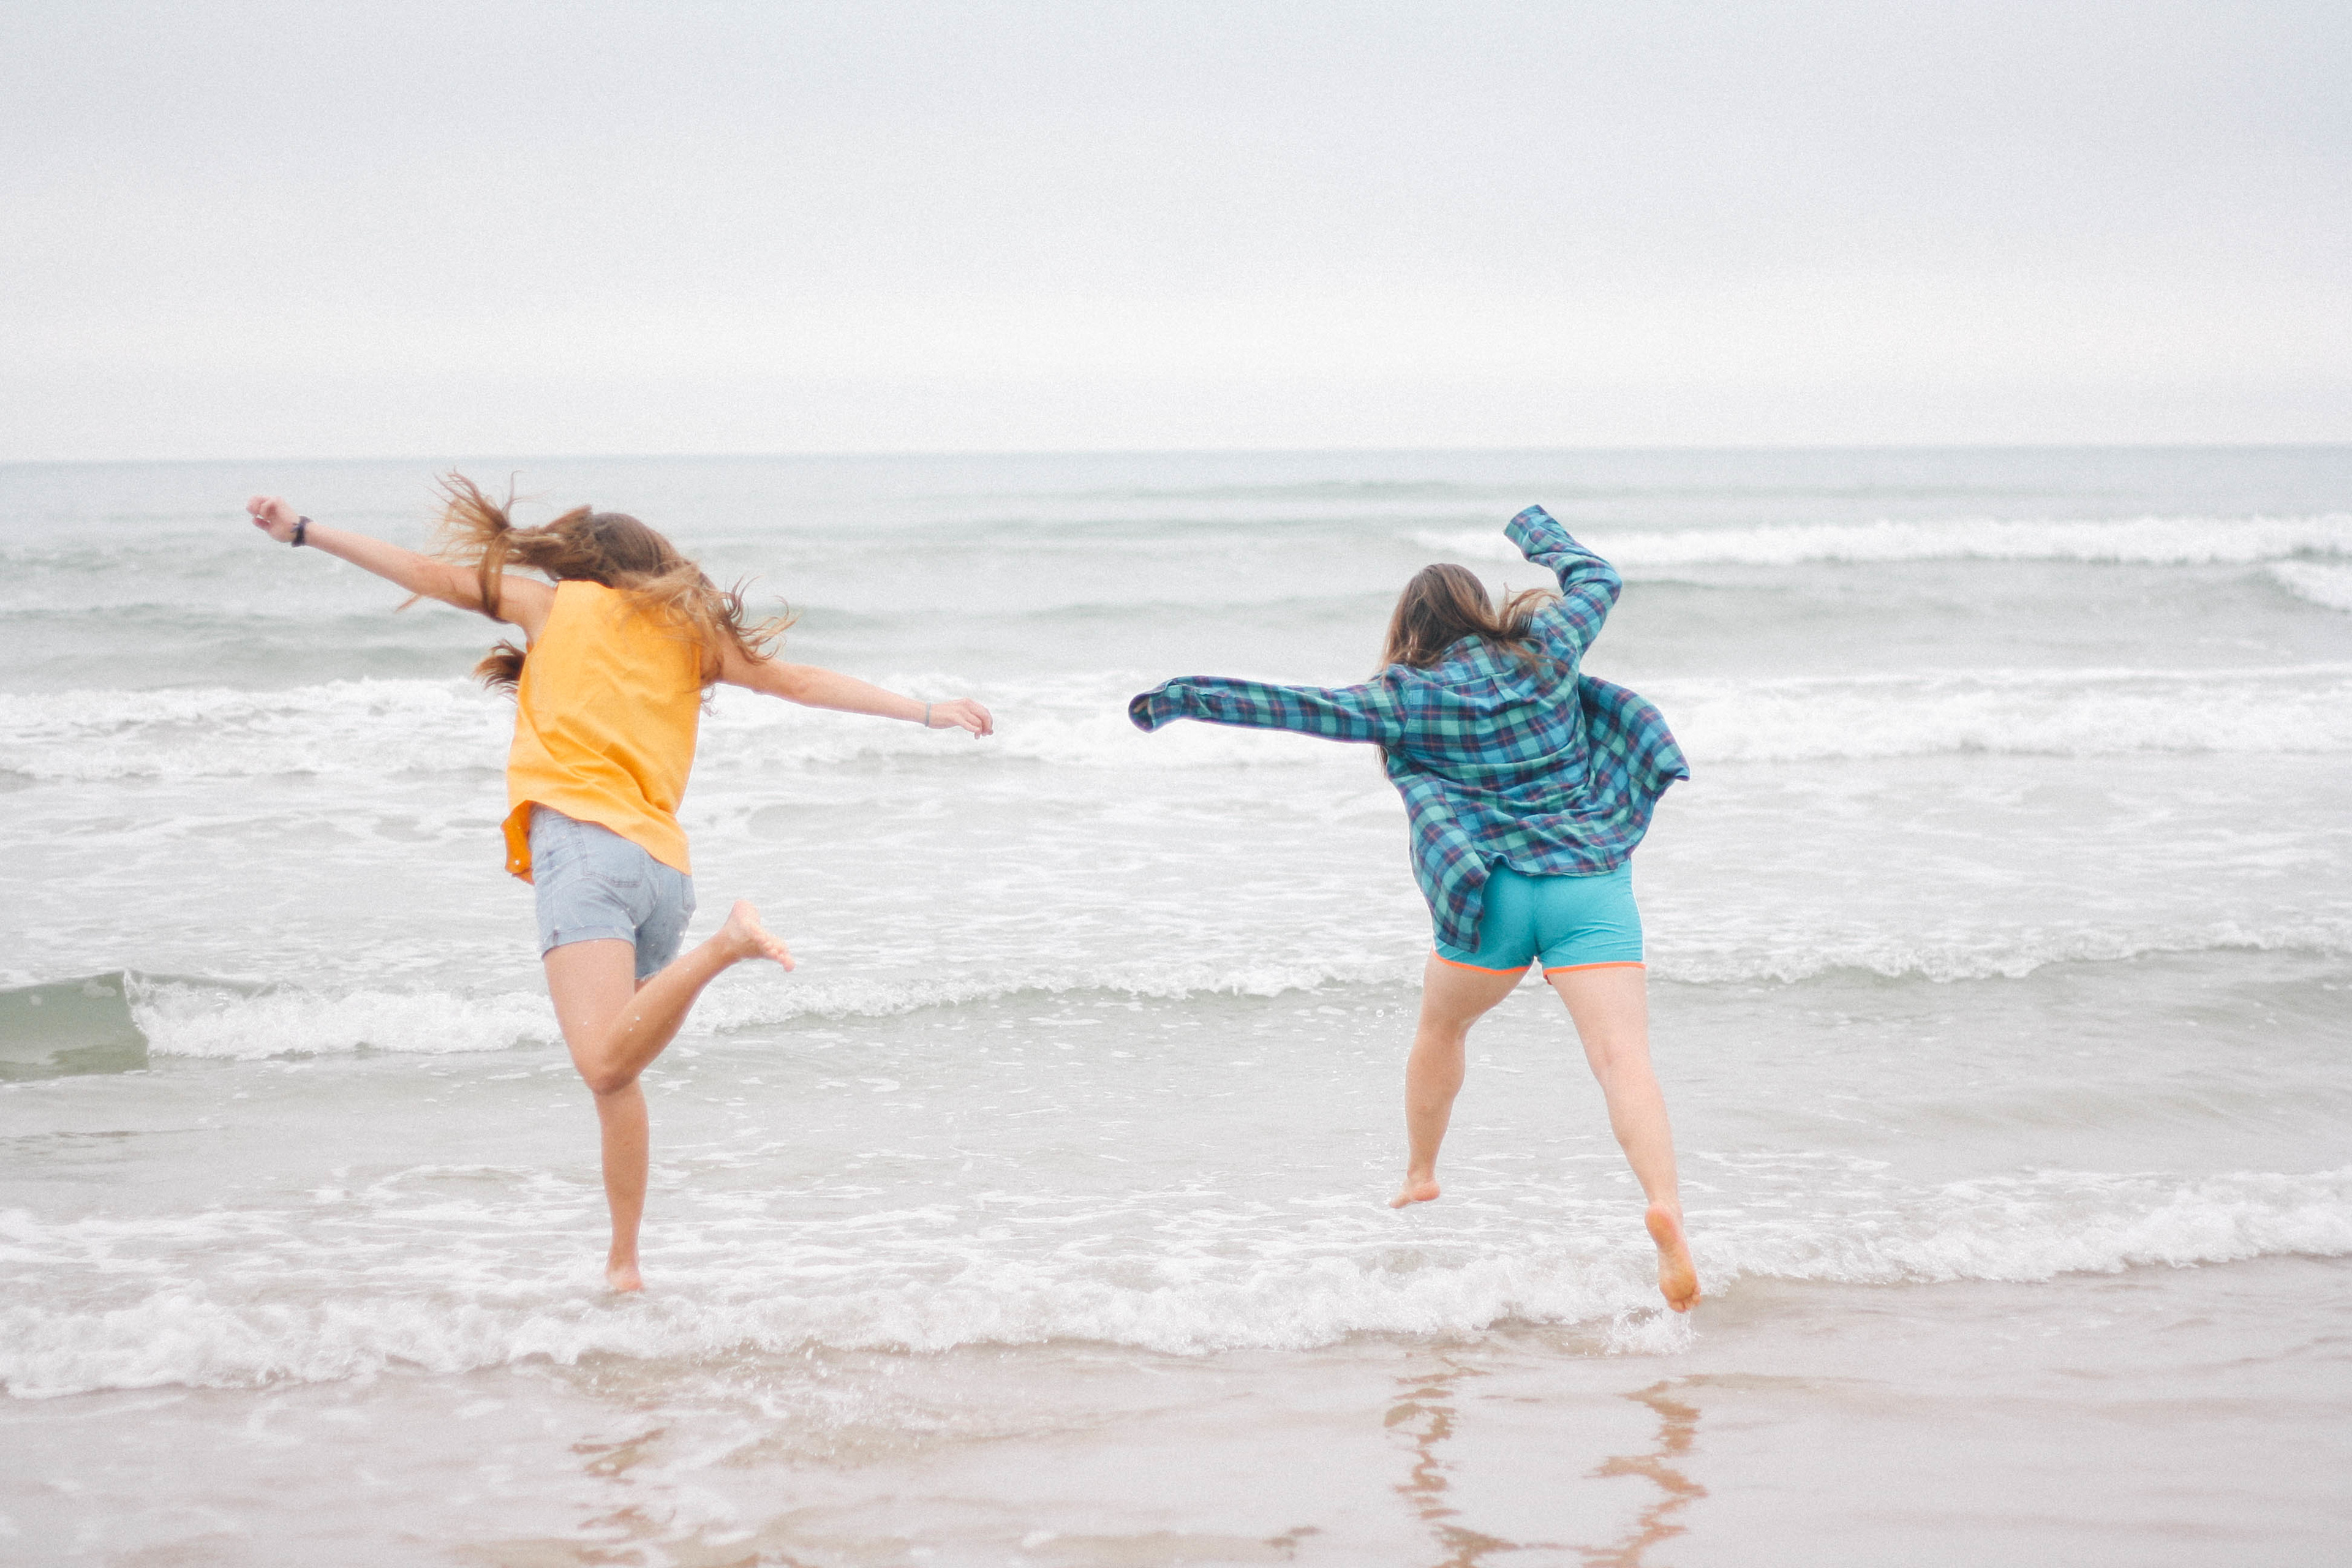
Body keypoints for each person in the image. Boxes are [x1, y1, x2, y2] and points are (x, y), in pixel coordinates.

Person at [246, 478, 993, 1291]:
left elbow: (427, 575)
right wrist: (923, 710)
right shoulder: (687, 636)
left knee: (601, 1065)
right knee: (620, 1070)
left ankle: (725, 948)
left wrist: (306, 531)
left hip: (586, 851)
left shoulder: (551, 607)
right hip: (663, 873)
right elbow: (799, 682)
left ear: (580, 564)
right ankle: (624, 1264)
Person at [1128, 506, 1698, 1311]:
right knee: (1620, 1058)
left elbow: (1295, 707)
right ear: (1477, 611)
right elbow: (1599, 577)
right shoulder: (1548, 650)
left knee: (1443, 1028)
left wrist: (1181, 698)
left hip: (1488, 897)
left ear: (1410, 630)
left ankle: (1422, 1172)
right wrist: (1535, 532)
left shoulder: (1404, 696)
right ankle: (1665, 1207)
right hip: (1586, 882)